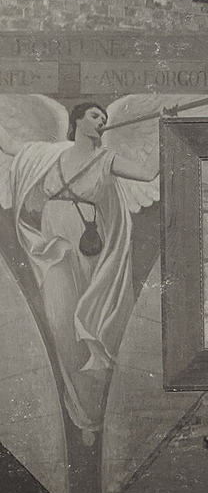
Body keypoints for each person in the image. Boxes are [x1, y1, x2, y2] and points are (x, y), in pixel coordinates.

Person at [0, 101, 159, 438]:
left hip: (90, 245)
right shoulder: (48, 154)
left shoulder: (107, 159)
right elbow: (11, 147)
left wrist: (170, 128)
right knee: (59, 323)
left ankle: (98, 413)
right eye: (94, 116)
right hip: (53, 246)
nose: (101, 121)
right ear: (77, 120)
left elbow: (147, 174)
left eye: (104, 118)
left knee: (92, 324)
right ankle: (81, 411)